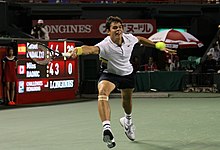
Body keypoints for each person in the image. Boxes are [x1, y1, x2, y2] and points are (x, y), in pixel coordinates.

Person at [68, 16, 175, 148]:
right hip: (110, 74)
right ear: (108, 31)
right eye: (114, 28)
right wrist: (77, 50)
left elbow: (140, 39)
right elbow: (90, 49)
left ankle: (128, 121)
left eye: (120, 27)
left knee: (127, 102)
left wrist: (157, 46)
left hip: (127, 74)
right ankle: (106, 128)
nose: (118, 30)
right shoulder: (105, 45)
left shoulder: (129, 38)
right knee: (102, 92)